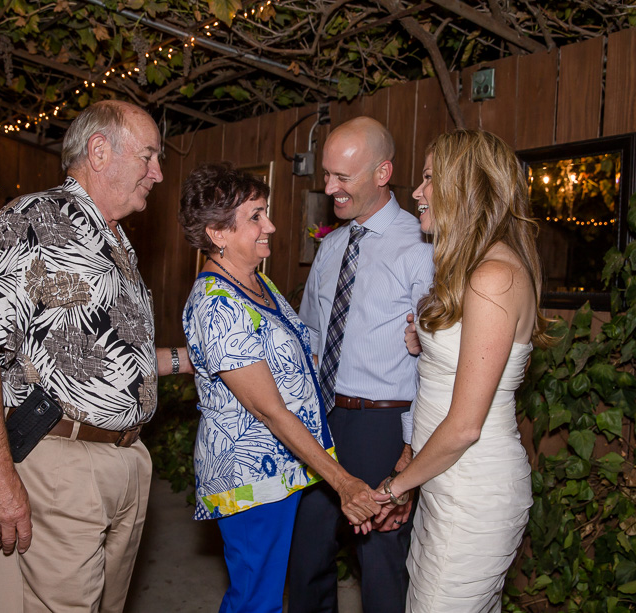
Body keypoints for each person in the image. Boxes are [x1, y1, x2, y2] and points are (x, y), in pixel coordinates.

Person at [0, 100, 193, 612]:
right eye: (149, 156)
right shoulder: (29, 220)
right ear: (100, 151)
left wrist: (187, 360)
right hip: (60, 467)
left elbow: (112, 352)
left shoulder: (116, 240)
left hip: (126, 462)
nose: (158, 172)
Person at [179, 162, 386, 613]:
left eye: (265, 212)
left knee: (267, 595)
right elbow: (269, 410)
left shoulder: (256, 280)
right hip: (249, 473)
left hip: (284, 467)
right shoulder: (218, 305)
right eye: (255, 216)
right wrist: (342, 481)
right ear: (217, 232)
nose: (269, 225)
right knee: (257, 601)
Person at [374, 129, 552, 611]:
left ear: (465, 187)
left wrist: (393, 488)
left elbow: (466, 424)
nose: (416, 191)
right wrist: (425, 347)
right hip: (442, 479)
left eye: (430, 178)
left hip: (472, 491)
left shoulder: (495, 277)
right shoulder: (470, 270)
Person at [289, 116, 435, 613]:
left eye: (341, 177)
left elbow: (435, 358)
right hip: (322, 420)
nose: (329, 187)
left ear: (382, 172)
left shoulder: (421, 248)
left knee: (381, 566)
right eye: (326, 175)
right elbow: (309, 336)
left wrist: (411, 449)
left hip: (382, 424)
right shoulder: (329, 247)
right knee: (306, 558)